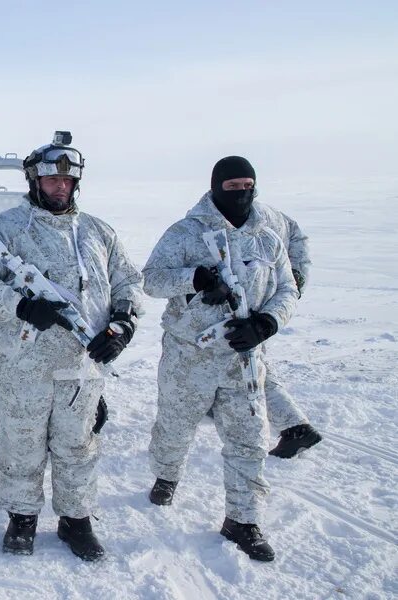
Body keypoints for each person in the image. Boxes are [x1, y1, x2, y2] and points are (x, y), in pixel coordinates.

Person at [0, 134, 143, 561]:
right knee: (22, 441)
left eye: (67, 179)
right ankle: (22, 517)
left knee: (77, 443)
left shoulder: (98, 232)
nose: (60, 186)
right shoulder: (4, 231)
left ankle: (75, 519)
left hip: (82, 363)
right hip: (24, 362)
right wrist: (19, 306)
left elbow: (128, 282)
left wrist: (123, 324)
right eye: (50, 178)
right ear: (33, 180)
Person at [143, 156, 299, 561]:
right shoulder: (187, 233)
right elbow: (152, 279)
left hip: (243, 360)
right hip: (188, 357)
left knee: (249, 441)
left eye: (249, 185)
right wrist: (193, 279)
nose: (242, 193)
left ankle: (242, 521)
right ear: (216, 188)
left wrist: (266, 323)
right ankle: (166, 474)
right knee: (174, 429)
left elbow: (287, 289)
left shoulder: (268, 238)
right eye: (233, 186)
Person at [253, 202, 323, 458]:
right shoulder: (276, 217)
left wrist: (293, 282)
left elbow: (296, 241)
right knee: (250, 364)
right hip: (266, 303)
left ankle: (296, 427)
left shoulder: (261, 218)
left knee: (250, 366)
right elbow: (299, 240)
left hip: (260, 304)